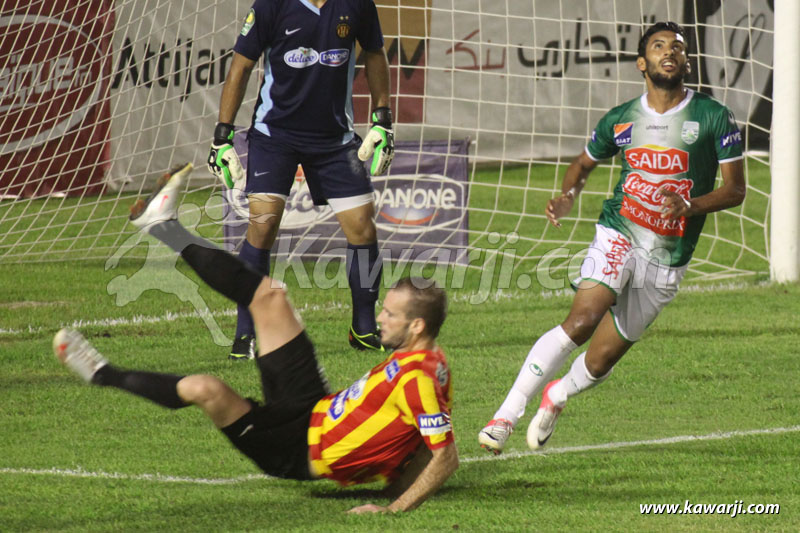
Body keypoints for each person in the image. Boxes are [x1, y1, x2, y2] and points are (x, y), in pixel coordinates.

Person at [54, 164, 457, 513]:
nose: (380, 318)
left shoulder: (420, 378)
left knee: (206, 389)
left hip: (292, 449)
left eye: (390, 314)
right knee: (270, 297)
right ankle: (162, 225)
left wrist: (392, 508)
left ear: (417, 326)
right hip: (313, 407)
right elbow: (421, 437)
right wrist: (395, 476)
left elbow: (445, 455)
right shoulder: (429, 360)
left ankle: (103, 373)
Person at [478, 21, 746, 454]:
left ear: (686, 62)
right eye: (658, 46)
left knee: (600, 361)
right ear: (642, 63)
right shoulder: (621, 119)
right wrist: (567, 196)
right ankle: (505, 416)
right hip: (619, 231)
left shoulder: (714, 116)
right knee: (582, 320)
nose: (669, 52)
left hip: (668, 255)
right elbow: (583, 165)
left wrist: (690, 205)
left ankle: (557, 395)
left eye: (677, 47)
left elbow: (736, 190)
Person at [206, 0, 395, 360]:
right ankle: (247, 333)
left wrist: (382, 118)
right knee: (262, 226)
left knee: (362, 226)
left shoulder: (357, 3)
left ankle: (364, 327)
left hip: (335, 139)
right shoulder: (271, 5)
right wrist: (222, 136)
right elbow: (241, 65)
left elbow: (374, 53)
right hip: (274, 136)